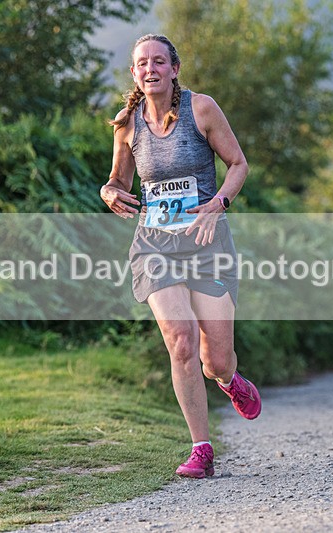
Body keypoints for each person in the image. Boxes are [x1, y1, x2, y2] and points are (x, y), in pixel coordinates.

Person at [100, 34, 261, 479]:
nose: (150, 69)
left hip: (208, 246)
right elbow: (118, 179)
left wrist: (219, 204)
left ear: (173, 69)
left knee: (217, 360)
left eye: (158, 62)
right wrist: (109, 190)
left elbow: (239, 165)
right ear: (134, 73)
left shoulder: (201, 109)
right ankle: (201, 448)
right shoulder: (127, 123)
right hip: (155, 247)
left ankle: (230, 381)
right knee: (181, 339)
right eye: (141, 64)